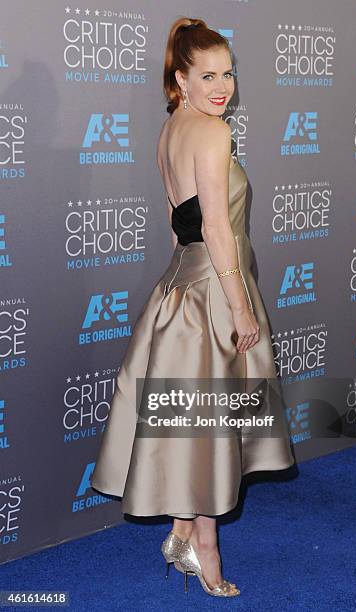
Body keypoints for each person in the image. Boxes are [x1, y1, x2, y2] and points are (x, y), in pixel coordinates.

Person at [91, 16, 295, 598]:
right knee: (207, 427)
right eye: (207, 74)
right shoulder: (213, 133)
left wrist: (193, 283)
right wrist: (241, 309)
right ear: (180, 78)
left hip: (181, 285)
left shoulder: (171, 131)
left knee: (195, 423)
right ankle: (205, 549)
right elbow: (215, 228)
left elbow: (175, 226)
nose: (222, 86)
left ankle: (184, 530)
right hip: (213, 291)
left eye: (228, 72)